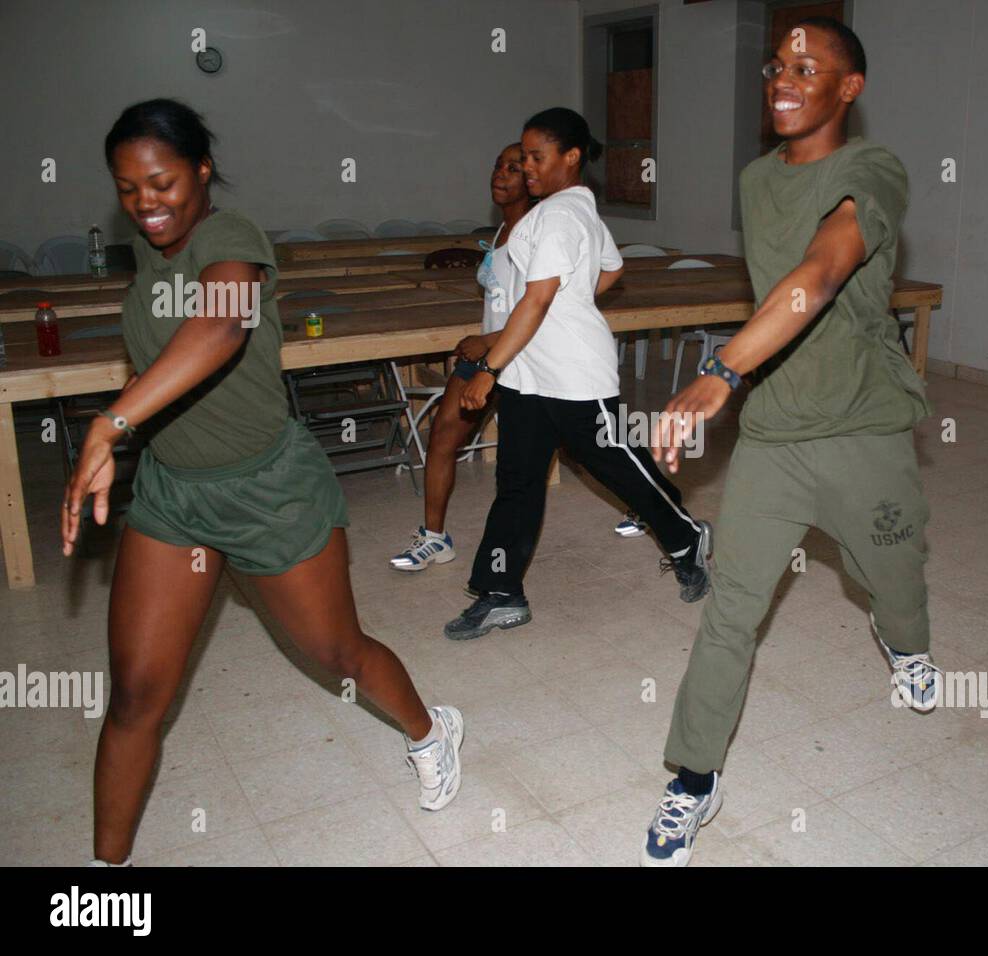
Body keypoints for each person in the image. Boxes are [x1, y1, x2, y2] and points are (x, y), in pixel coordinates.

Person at [66, 99, 463, 867]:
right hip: (174, 494)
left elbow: (219, 325)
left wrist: (111, 423)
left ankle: (431, 731)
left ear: (203, 170)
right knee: (137, 697)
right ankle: (101, 886)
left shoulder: (231, 240)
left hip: (266, 489)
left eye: (163, 183)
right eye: (128, 190)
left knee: (338, 653)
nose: (147, 204)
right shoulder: (149, 254)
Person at [639, 19, 940, 867]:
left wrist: (719, 375)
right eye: (776, 65)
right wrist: (745, 386)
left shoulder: (871, 170)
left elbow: (820, 273)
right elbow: (779, 290)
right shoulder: (754, 178)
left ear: (849, 89)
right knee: (732, 608)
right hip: (774, 430)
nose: (782, 78)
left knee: (895, 571)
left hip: (863, 422)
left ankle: (905, 644)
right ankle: (693, 779)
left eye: (808, 68)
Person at [444, 107, 711, 641]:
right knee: (517, 480)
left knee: (615, 465)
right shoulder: (570, 210)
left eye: (537, 157)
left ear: (571, 157)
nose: (527, 167)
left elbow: (538, 297)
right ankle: (500, 592)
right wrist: (569, 302)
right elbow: (609, 268)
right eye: (523, 158)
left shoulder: (561, 215)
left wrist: (489, 368)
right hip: (530, 370)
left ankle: (685, 536)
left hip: (571, 373)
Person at [390, 142, 532, 571]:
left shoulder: (533, 234)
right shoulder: (502, 232)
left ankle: (648, 509)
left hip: (524, 355)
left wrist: (488, 342)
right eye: (497, 166)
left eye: (513, 168)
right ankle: (435, 538)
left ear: (534, 179)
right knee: (442, 439)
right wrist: (485, 345)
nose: (499, 174)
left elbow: (540, 311)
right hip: (486, 353)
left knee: (584, 443)